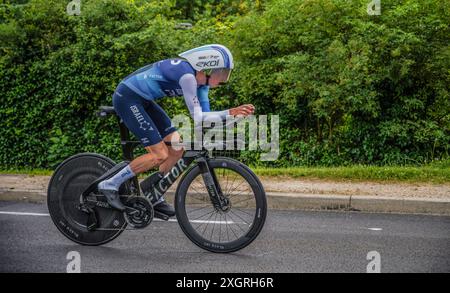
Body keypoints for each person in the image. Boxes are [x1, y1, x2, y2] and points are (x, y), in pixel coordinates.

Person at [97, 44, 255, 216]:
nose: (224, 80)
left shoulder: (202, 85)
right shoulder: (188, 77)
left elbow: (206, 118)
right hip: (128, 98)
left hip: (144, 100)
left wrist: (232, 117)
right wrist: (229, 112)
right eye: (221, 73)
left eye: (226, 74)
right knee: (159, 154)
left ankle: (154, 194)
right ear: (206, 68)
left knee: (177, 147)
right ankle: (110, 184)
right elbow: (199, 117)